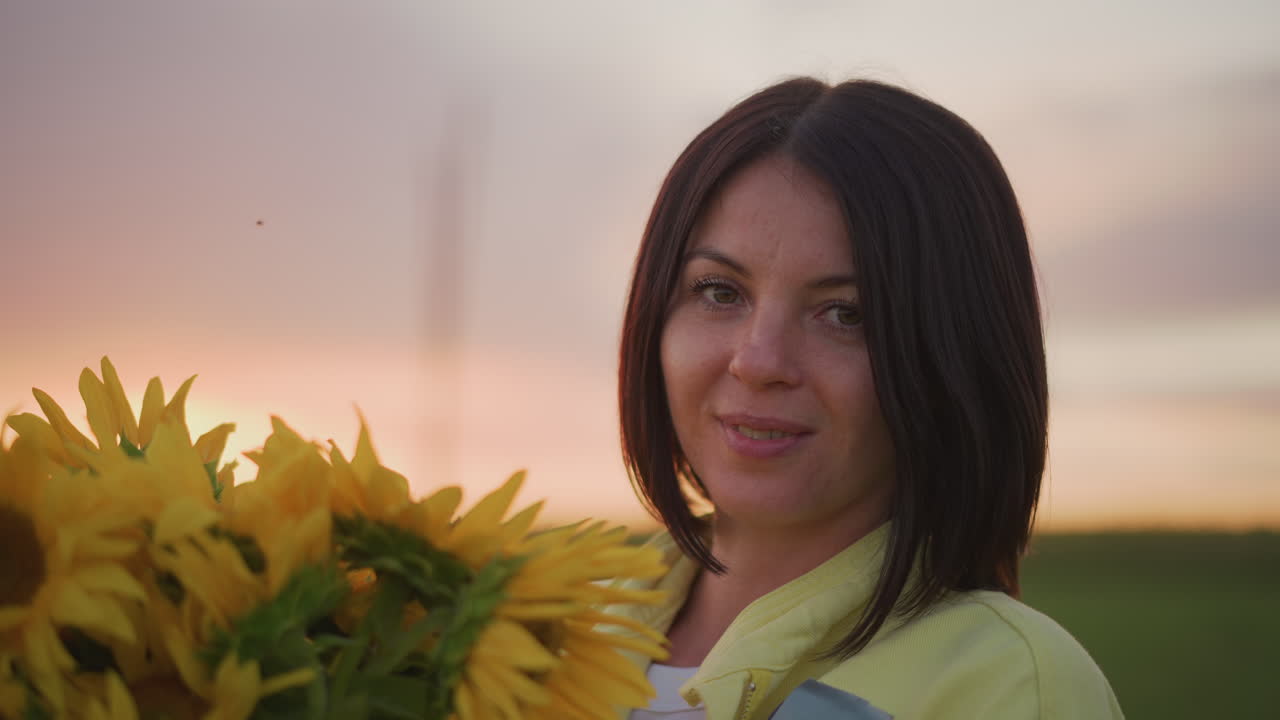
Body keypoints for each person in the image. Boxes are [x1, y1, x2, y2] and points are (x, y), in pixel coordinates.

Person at [611, 77, 1125, 719]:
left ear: (953, 356)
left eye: (846, 314)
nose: (758, 361)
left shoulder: (1009, 685)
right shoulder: (529, 629)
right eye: (719, 292)